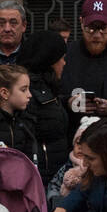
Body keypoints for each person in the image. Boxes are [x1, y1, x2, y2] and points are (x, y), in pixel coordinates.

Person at [60, 0, 107, 131]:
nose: (97, 35)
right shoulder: (66, 56)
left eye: (103, 28)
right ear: (81, 22)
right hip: (73, 135)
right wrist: (69, 102)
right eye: (91, 28)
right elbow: (52, 96)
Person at [16, 29, 72, 183]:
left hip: (51, 174)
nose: (64, 63)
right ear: (50, 61)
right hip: (39, 178)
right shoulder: (29, 93)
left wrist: (67, 102)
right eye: (62, 58)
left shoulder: (46, 88)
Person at [0, 0, 30, 67]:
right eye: (1, 23)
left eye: (13, 23)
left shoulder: (35, 57)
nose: (7, 29)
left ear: (24, 26)